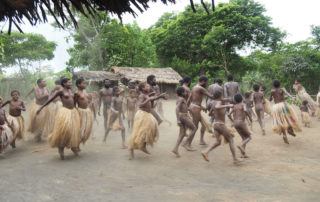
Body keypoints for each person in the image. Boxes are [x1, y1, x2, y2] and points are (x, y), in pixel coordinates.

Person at [36, 78, 81, 160]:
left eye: (71, 82)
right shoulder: (61, 92)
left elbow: (74, 102)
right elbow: (50, 100)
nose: (71, 83)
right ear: (64, 83)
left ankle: (73, 146)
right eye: (69, 82)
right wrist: (41, 108)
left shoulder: (72, 91)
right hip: (64, 113)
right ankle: (61, 148)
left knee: (73, 130)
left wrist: (76, 109)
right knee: (65, 130)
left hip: (73, 112)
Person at [201, 91, 242, 164]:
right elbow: (217, 107)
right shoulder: (218, 103)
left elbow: (210, 114)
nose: (223, 97)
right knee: (231, 139)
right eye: (222, 96)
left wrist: (217, 113)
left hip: (216, 124)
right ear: (220, 96)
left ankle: (206, 152)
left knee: (218, 142)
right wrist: (227, 106)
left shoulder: (214, 103)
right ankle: (235, 159)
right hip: (220, 125)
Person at [128, 82, 166, 160]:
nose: (148, 87)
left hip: (147, 115)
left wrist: (160, 96)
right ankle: (131, 149)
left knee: (151, 130)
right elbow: (139, 104)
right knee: (139, 133)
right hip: (142, 115)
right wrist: (148, 99)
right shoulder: (142, 96)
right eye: (146, 86)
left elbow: (152, 98)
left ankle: (143, 146)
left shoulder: (145, 95)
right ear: (143, 88)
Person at [184, 75, 214, 147]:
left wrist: (187, 107)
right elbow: (211, 96)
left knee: (203, 125)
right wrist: (219, 95)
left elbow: (190, 98)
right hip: (196, 109)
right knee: (195, 127)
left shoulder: (194, 87)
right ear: (203, 81)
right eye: (206, 82)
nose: (206, 84)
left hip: (194, 107)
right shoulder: (201, 88)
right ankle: (187, 144)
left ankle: (201, 140)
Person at [270, 79, 301, 144]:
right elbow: (288, 94)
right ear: (279, 84)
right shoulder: (282, 89)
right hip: (284, 105)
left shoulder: (272, 91)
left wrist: (272, 96)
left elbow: (270, 99)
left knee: (281, 121)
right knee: (289, 117)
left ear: (273, 85)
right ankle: (290, 129)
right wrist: (293, 98)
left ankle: (284, 135)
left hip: (276, 107)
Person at [172, 87, 197, 157]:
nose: (186, 93)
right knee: (194, 128)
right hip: (183, 116)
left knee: (182, 133)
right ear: (182, 93)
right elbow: (177, 108)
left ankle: (175, 149)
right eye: (185, 92)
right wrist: (178, 119)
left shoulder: (181, 99)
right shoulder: (181, 99)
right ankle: (185, 142)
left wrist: (189, 109)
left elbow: (185, 107)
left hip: (182, 116)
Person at [228, 94, 252, 158]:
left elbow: (228, 114)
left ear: (235, 100)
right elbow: (245, 110)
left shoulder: (234, 106)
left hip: (235, 123)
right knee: (249, 137)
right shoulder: (243, 104)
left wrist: (233, 121)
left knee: (244, 138)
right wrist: (250, 118)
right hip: (241, 122)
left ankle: (243, 154)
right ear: (241, 99)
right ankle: (241, 145)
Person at [74, 78, 94, 148]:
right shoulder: (76, 93)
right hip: (80, 112)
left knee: (85, 130)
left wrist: (90, 103)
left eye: (85, 83)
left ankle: (78, 144)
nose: (85, 84)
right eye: (83, 83)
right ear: (78, 85)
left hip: (87, 112)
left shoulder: (85, 92)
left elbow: (88, 101)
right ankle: (76, 145)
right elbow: (74, 104)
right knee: (80, 130)